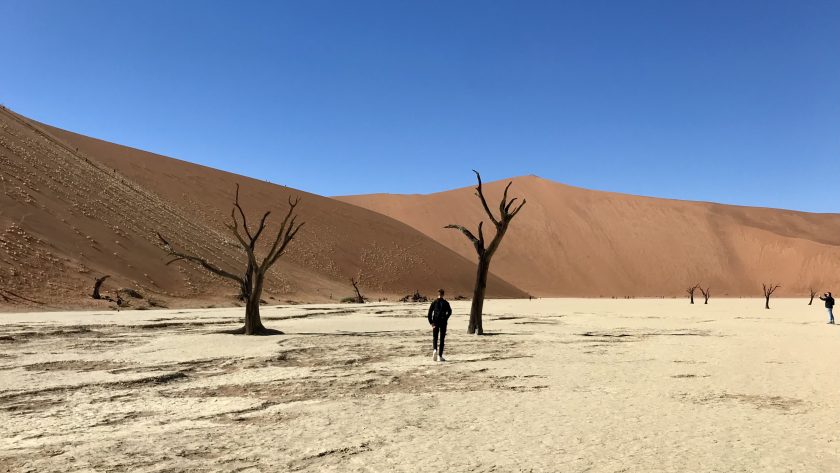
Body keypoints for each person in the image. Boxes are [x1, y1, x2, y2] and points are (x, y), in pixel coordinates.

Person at [427, 289, 452, 362]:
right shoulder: (446, 303)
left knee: (435, 337)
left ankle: (435, 350)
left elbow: (429, 314)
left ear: (438, 294)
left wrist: (431, 323)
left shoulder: (434, 302)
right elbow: (450, 311)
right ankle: (440, 356)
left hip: (435, 322)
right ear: (443, 294)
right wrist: (446, 318)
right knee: (442, 339)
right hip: (443, 322)